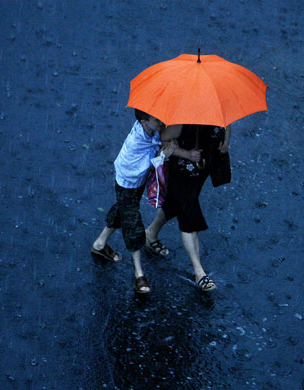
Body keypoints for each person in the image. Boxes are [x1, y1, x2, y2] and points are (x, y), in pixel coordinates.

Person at [91, 109, 176, 294]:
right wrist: (163, 156)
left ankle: (99, 244)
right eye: (156, 119)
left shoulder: (148, 130)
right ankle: (139, 274)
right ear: (145, 122)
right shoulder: (139, 140)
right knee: (133, 224)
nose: (160, 121)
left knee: (123, 209)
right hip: (129, 181)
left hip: (133, 182)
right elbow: (145, 166)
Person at [146, 123, 231, 292]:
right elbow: (164, 140)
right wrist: (187, 154)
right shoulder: (184, 120)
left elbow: (227, 124)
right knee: (188, 213)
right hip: (184, 170)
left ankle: (150, 233)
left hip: (203, 167)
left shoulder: (215, 109)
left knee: (174, 203)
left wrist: (226, 141)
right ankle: (199, 272)